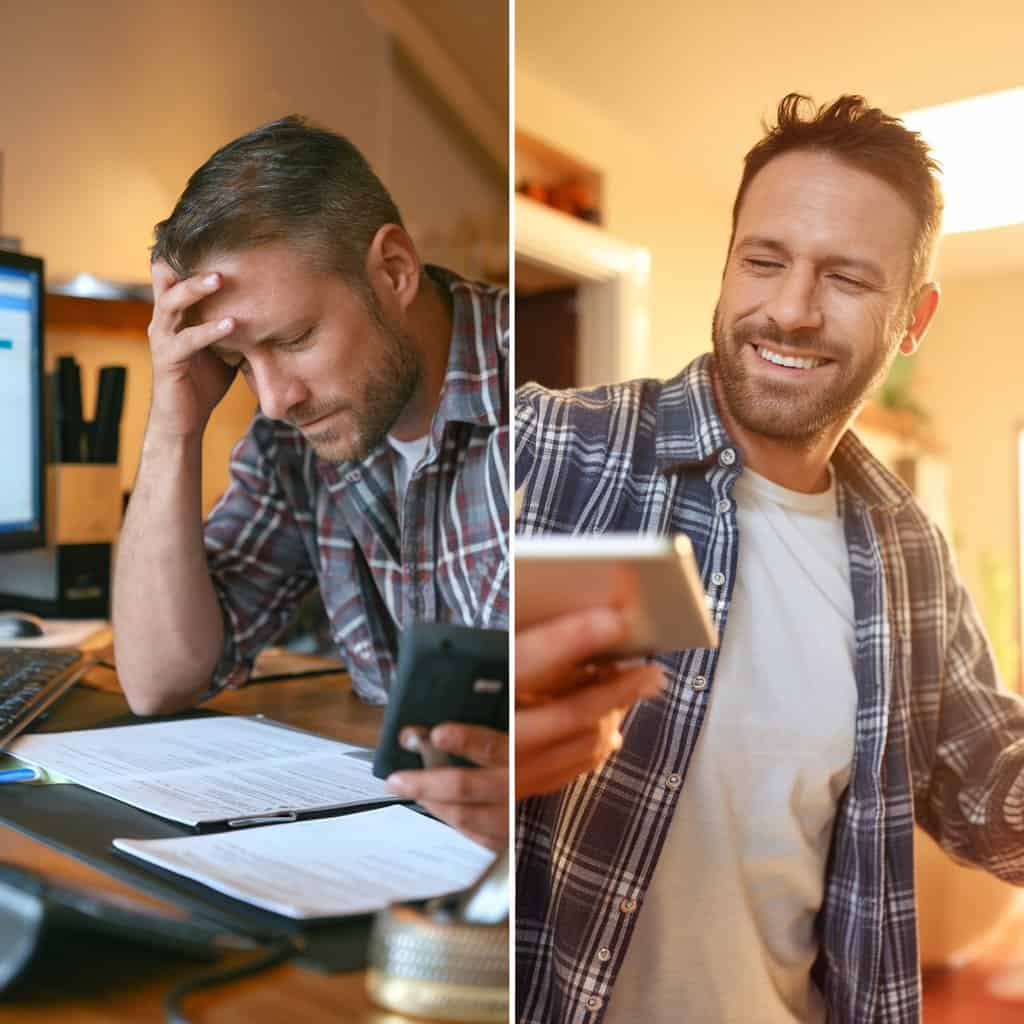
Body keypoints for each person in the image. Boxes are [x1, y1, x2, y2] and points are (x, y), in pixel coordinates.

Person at [515, 94, 1024, 1023]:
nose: (789, 311)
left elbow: (992, 785)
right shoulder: (546, 449)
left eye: (847, 279)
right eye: (764, 261)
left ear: (914, 318)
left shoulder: (908, 554)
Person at [113, 116, 509, 851]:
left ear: (393, 269)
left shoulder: (549, 404)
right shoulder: (296, 440)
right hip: (398, 855)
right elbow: (158, 680)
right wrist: (174, 426)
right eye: (239, 361)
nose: (273, 399)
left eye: (294, 341)